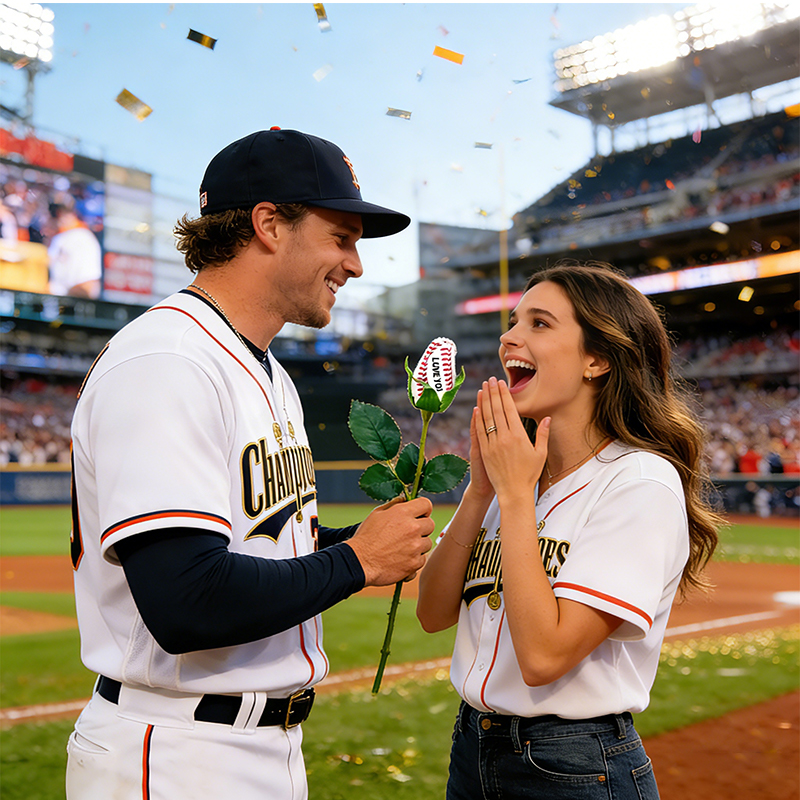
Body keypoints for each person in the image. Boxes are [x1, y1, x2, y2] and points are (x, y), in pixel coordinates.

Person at [66, 128, 435, 799]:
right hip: (175, 750)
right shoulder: (169, 358)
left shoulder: (264, 369)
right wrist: (359, 561)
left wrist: (359, 541)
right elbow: (186, 602)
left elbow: (262, 545)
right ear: (269, 224)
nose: (355, 265)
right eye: (341, 237)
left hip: (253, 745)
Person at [417, 261, 721, 800]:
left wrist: (514, 497)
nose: (509, 336)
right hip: (473, 748)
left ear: (596, 359)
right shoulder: (517, 475)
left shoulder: (639, 480)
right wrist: (480, 492)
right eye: (513, 322)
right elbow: (432, 612)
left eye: (539, 323)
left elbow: (544, 658)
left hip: (572, 763)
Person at [47, 203, 102, 298]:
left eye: (65, 214)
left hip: (72, 298)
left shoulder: (84, 237)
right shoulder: (61, 238)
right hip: (59, 296)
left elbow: (88, 285)